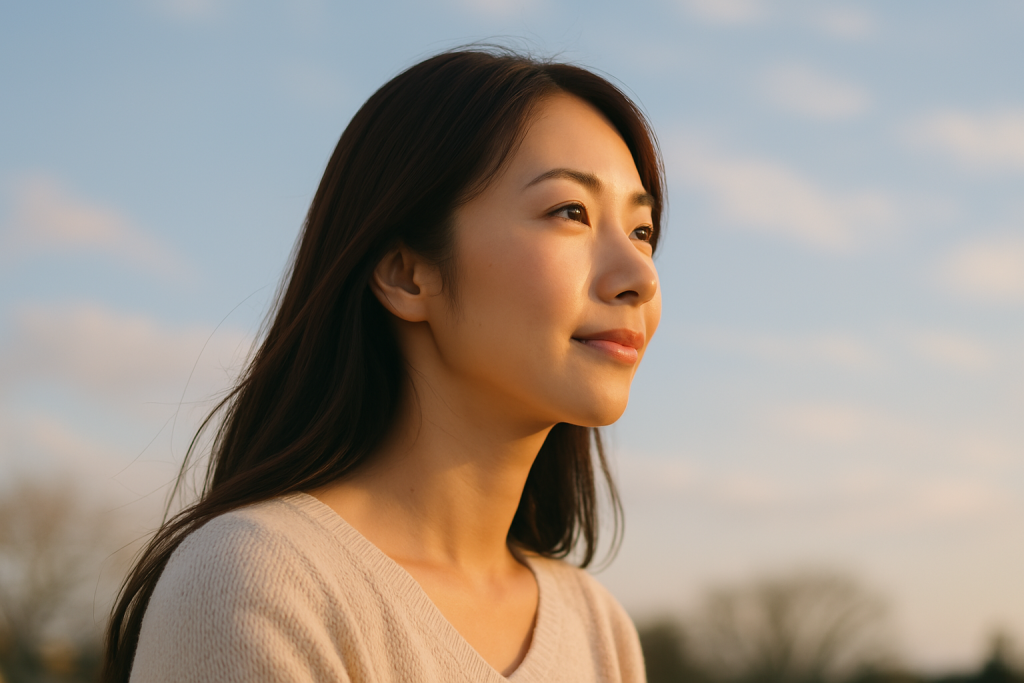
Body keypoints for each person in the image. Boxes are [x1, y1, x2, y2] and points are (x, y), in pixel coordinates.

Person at [104, 47, 664, 682]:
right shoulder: (259, 584)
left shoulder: (597, 627)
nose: (640, 277)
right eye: (571, 213)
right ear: (406, 274)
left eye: (642, 232)